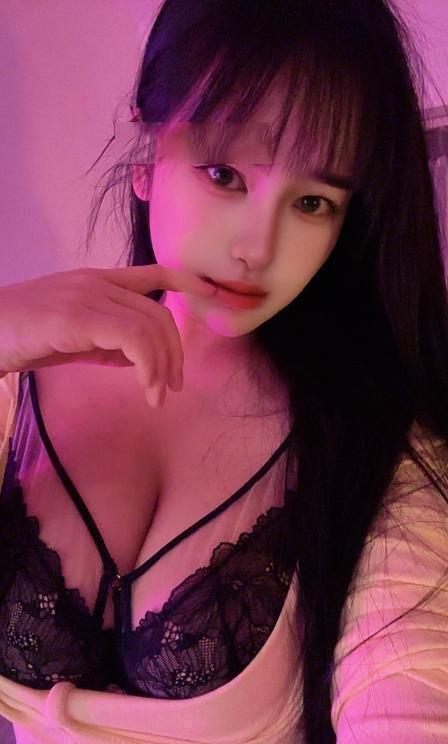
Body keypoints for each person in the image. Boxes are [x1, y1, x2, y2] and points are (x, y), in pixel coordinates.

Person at [0, 0, 447, 742]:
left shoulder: (381, 452)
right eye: (224, 173)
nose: (258, 249)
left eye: (312, 202)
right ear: (146, 151)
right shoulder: (17, 383)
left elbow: (411, 690)